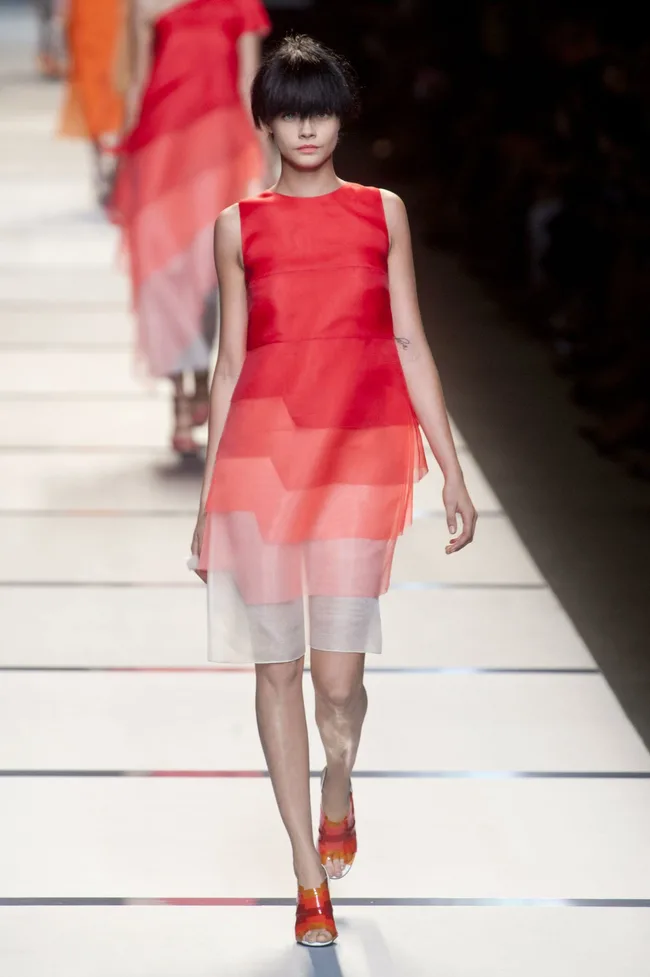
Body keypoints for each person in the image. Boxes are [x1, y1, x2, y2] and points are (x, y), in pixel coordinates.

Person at [189, 35, 478, 947]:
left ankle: (340, 782)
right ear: (266, 117)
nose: (306, 123)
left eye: (320, 106)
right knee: (276, 666)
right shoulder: (238, 224)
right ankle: (307, 878)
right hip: (263, 462)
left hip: (358, 455)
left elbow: (408, 342)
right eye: (289, 107)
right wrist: (207, 503)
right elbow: (231, 363)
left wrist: (454, 467)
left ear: (341, 113)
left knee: (337, 683)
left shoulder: (380, 212)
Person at [109, 0, 272, 456]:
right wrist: (121, 162)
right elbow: (139, 82)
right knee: (163, 275)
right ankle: (179, 397)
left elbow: (248, 82)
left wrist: (266, 162)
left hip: (219, 154)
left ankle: (201, 379)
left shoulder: (241, 4)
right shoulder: (147, 5)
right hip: (159, 152)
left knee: (207, 274)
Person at [57, 0, 125, 203]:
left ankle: (113, 166)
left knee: (120, 87)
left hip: (118, 14)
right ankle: (103, 166)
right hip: (88, 15)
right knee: (91, 89)